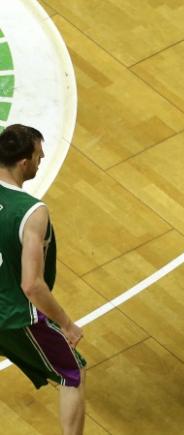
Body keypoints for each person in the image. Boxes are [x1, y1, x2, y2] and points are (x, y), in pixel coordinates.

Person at [0, 124, 86, 434]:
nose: (42, 159)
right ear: (24, 162)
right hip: (15, 315)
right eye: (39, 155)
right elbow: (31, 285)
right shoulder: (31, 211)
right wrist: (66, 323)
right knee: (72, 371)